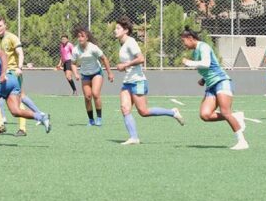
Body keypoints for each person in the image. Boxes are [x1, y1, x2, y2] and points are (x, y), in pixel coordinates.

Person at [114, 16, 184, 145]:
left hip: (138, 81)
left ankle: (172, 112)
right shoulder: (123, 44)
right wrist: (124, 67)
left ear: (126, 30)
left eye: (118, 28)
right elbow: (131, 63)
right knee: (125, 108)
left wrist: (125, 65)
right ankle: (134, 138)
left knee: (143, 111)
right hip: (127, 82)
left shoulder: (131, 42)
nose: (115, 30)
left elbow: (141, 59)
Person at [0, 32, 51, 144]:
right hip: (12, 80)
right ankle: (41, 117)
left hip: (4, 80)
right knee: (15, 111)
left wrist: (3, 75)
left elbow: (3, 55)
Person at [180, 27, 248, 150]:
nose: (183, 44)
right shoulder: (196, 51)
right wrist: (204, 79)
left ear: (190, 38)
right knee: (205, 115)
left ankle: (242, 141)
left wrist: (189, 62)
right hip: (211, 85)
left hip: (222, 82)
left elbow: (206, 63)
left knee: (226, 112)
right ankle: (236, 116)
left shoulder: (204, 47)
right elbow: (210, 68)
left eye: (184, 41)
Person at [0, 16, 42, 137]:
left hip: (13, 73)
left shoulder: (12, 37)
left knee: (16, 98)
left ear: (5, 26)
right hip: (3, 73)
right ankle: (1, 123)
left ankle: (21, 127)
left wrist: (19, 68)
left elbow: (20, 53)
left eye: (0, 26)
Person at [71, 26, 114, 126]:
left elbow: (104, 59)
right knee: (87, 97)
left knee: (95, 94)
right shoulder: (75, 50)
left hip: (96, 73)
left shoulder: (93, 48)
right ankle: (91, 120)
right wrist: (76, 73)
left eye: (82, 36)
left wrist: (109, 73)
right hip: (85, 75)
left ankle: (99, 118)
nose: (80, 38)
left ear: (87, 38)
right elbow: (73, 63)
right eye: (78, 36)